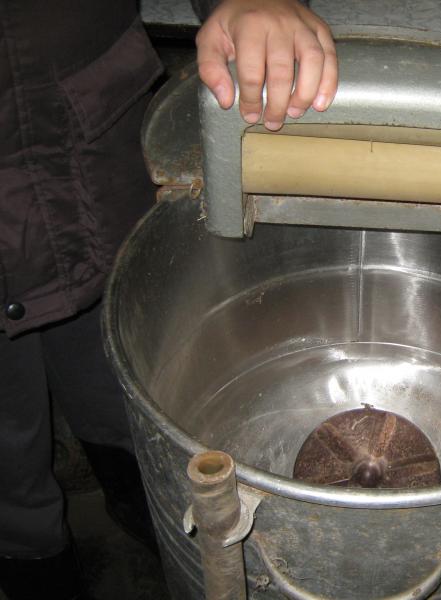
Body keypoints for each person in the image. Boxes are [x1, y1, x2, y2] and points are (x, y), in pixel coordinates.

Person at [0, 1, 336, 598]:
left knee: (119, 388)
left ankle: (146, 514)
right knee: (8, 452)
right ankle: (35, 561)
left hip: (90, 176)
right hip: (73, 167)